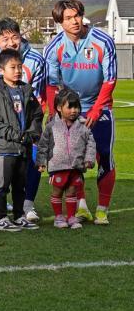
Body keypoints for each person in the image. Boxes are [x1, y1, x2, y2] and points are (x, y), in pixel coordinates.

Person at [42, 0, 117, 224]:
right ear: (59, 22)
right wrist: (56, 113)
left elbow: (110, 79)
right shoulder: (54, 48)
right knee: (73, 159)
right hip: (70, 111)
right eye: (68, 18)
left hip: (100, 108)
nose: (74, 21)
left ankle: (102, 210)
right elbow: (52, 85)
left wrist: (96, 110)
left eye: (77, 16)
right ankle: (81, 206)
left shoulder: (103, 41)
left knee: (104, 156)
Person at [0, 18, 46, 222]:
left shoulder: (36, 60)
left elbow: (36, 100)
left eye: (15, 37)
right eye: (5, 38)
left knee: (25, 171)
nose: (11, 42)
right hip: (3, 131)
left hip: (25, 130)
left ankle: (26, 207)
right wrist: (0, 127)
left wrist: (32, 131)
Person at [0, 49, 44, 232]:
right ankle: (1, 218)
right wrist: (14, 134)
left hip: (24, 147)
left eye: (20, 66)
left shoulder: (27, 90)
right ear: (1, 70)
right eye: (13, 67)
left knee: (20, 185)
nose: (18, 70)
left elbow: (37, 115)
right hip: (5, 147)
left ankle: (19, 216)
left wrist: (31, 134)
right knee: (2, 185)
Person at [36, 88, 96, 229]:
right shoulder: (51, 126)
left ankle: (71, 217)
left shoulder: (83, 125)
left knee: (71, 192)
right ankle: (58, 217)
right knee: (57, 192)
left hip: (76, 166)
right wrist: (41, 161)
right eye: (70, 107)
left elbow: (91, 144)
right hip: (58, 166)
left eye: (76, 107)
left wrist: (89, 159)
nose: (74, 110)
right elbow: (43, 144)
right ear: (59, 108)